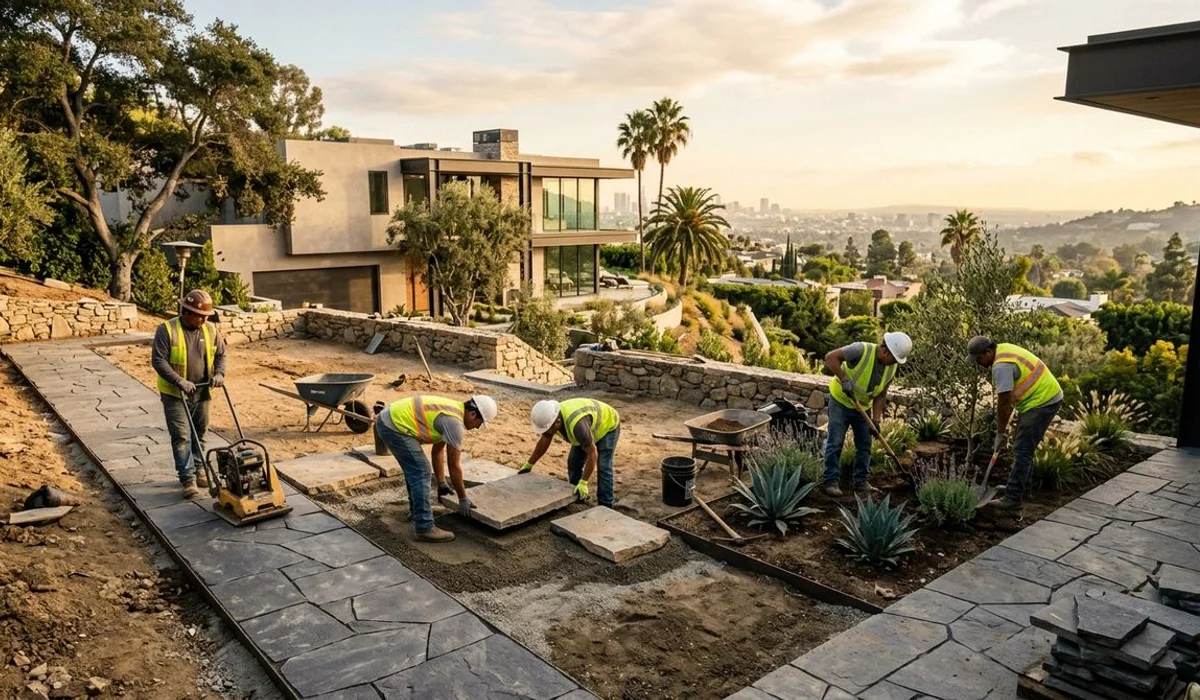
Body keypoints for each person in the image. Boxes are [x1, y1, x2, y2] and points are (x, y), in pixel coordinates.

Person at [375, 394, 498, 543]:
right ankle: (424, 527)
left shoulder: (452, 411)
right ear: (473, 413)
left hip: (390, 419)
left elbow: (438, 451)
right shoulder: (455, 424)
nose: (477, 427)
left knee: (416, 469)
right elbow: (454, 466)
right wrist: (463, 497)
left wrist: (441, 483)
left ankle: (418, 513)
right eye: (480, 422)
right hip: (393, 425)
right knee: (421, 471)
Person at [967, 336, 1063, 510]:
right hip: (1041, 398)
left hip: (1042, 401)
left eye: (979, 359)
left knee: (1022, 449)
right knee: (1023, 447)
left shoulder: (1001, 367)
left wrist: (1000, 433)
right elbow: (1010, 401)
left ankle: (1013, 497)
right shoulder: (1003, 349)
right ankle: (1020, 487)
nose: (979, 364)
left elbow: (1004, 405)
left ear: (988, 352)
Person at [152, 290, 227, 499]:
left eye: (206, 316)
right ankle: (188, 479)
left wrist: (220, 373)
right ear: (186, 311)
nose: (204, 319)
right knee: (182, 436)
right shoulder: (167, 330)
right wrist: (179, 381)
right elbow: (158, 361)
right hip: (175, 394)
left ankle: (200, 468)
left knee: (200, 432)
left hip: (202, 391)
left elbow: (221, 354)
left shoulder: (210, 330)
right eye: (200, 315)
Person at [821, 332, 912, 498]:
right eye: (894, 358)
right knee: (835, 442)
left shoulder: (891, 366)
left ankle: (861, 481)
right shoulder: (860, 350)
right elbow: (830, 357)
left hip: (862, 406)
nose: (894, 363)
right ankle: (830, 480)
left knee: (864, 445)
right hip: (841, 402)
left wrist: (876, 420)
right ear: (885, 351)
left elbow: (881, 394)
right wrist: (843, 379)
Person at [520, 398, 620, 507]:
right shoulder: (552, 418)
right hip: (587, 430)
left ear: (558, 422)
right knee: (573, 462)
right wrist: (529, 464)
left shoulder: (577, 426)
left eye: (548, 429)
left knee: (603, 466)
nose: (547, 433)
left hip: (607, 425)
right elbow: (544, 442)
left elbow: (592, 454)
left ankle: (606, 505)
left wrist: (584, 482)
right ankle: (576, 494)